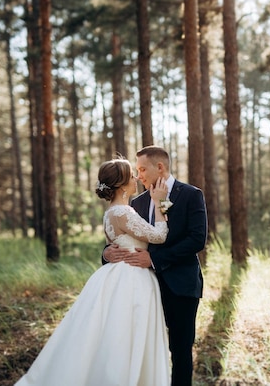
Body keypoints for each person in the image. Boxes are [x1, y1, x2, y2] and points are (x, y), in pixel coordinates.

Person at [16, 158, 172, 386]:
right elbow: (159, 236)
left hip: (120, 274)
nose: (136, 178)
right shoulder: (123, 212)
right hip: (131, 280)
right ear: (120, 185)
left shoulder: (113, 211)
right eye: (131, 176)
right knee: (125, 335)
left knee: (113, 334)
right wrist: (161, 203)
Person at [103, 145, 208, 386]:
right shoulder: (136, 203)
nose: (138, 176)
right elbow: (122, 236)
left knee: (180, 351)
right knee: (141, 347)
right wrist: (106, 253)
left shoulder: (190, 194)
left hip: (181, 286)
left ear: (159, 167)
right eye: (136, 171)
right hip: (141, 289)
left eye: (142, 169)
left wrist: (154, 260)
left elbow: (197, 239)